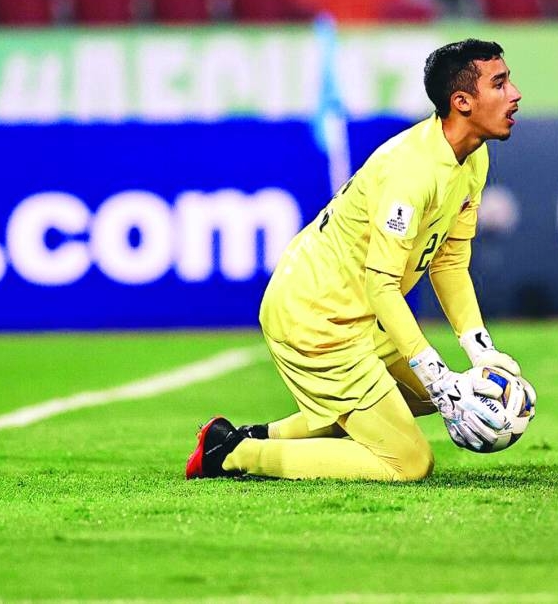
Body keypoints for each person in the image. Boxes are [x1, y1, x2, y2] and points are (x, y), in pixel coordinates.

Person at [186, 39, 535, 482]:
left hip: (360, 313)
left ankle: (244, 436)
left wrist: (480, 350)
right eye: (500, 83)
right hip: (316, 316)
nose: (515, 93)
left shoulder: (472, 158)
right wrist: (436, 371)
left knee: (432, 397)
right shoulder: (412, 172)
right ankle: (231, 457)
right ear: (462, 102)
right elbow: (382, 286)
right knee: (409, 463)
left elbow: (448, 262)